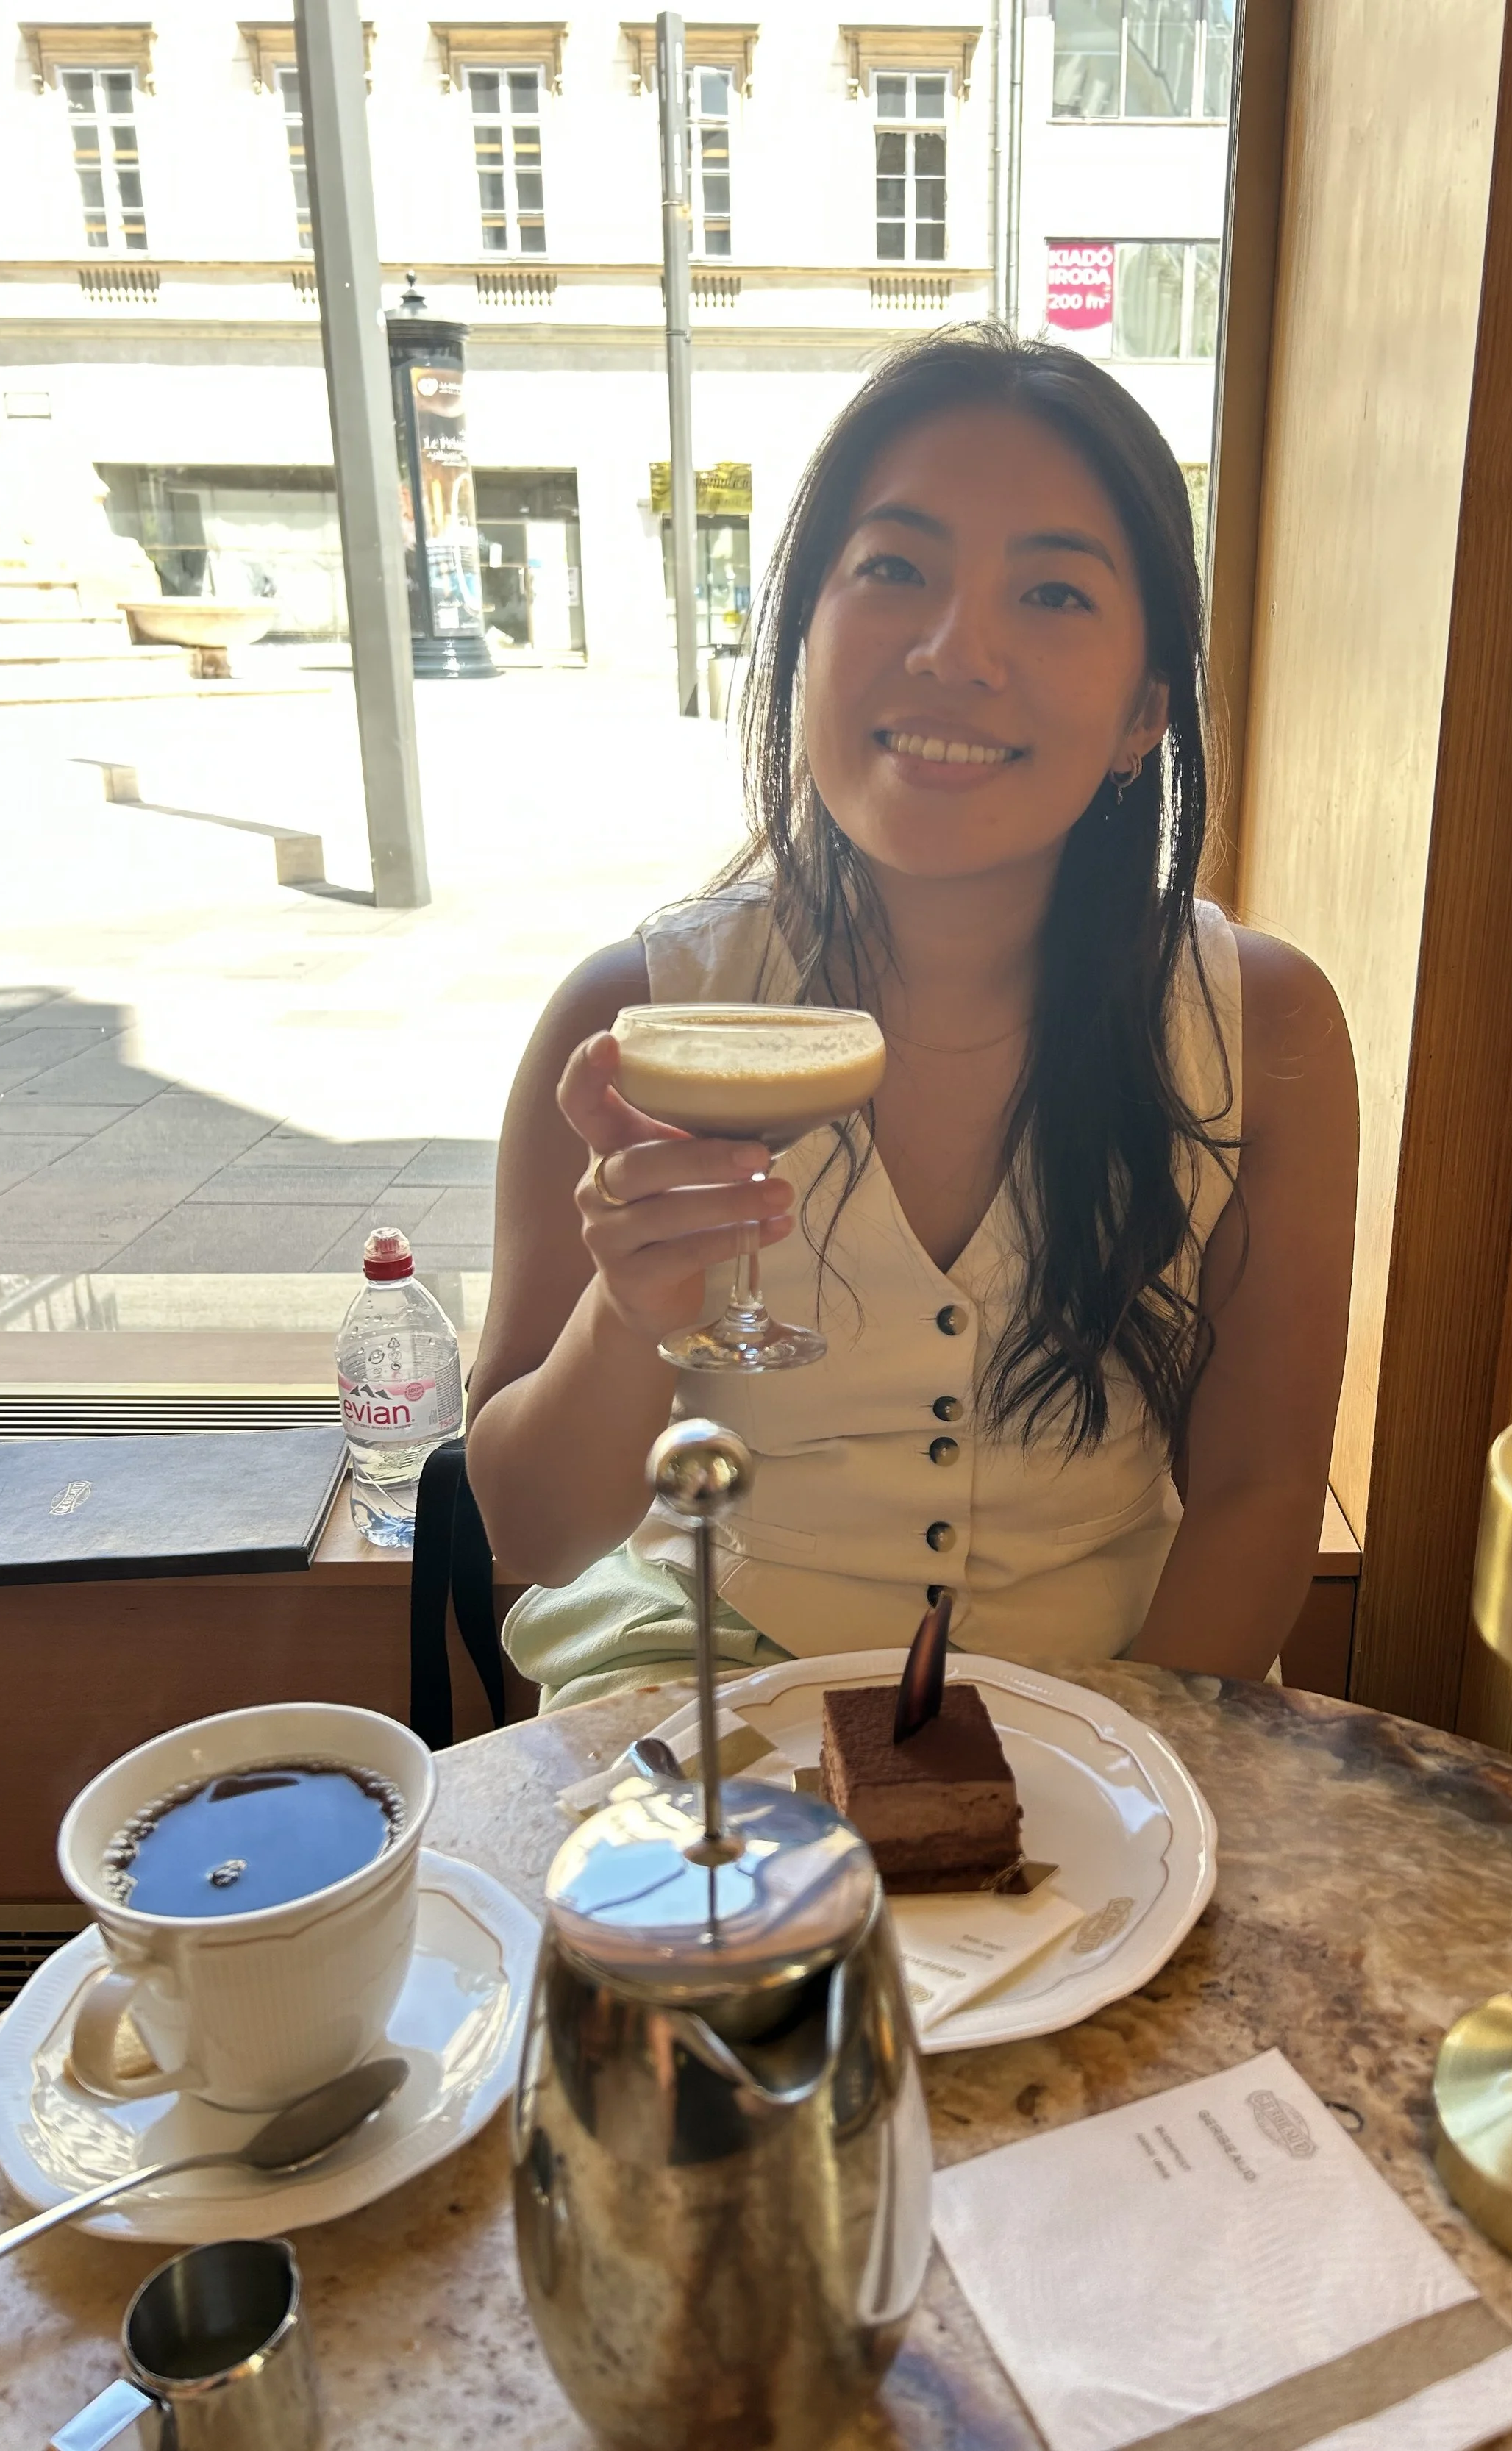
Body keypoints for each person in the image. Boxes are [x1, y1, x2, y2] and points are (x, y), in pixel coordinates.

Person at [465, 326, 1356, 1710]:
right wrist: (632, 1311)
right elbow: (529, 1530)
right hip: (709, 1684)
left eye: (1055, 594)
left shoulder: (1264, 1025)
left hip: (1121, 1686)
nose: (957, 651)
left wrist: (1116, 1779)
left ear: (1144, 715)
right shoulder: (636, 1016)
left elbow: (1257, 1490)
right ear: (805, 632)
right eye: (894, 570)